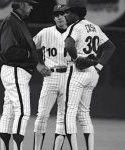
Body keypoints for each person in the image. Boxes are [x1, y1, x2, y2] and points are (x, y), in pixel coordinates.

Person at [62, 0, 116, 150]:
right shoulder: (94, 27)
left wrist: (75, 59)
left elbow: (69, 44)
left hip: (77, 71)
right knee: (85, 114)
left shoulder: (75, 27)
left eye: (68, 12)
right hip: (92, 73)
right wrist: (98, 67)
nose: (65, 14)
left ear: (76, 12)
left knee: (69, 112)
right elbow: (110, 47)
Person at [0, 0, 38, 150]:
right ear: (20, 3)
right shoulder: (11, 22)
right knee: (23, 112)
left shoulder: (17, 21)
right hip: (15, 70)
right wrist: (29, 53)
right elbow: (9, 50)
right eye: (29, 4)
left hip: (14, 71)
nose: (32, 7)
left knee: (10, 112)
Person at [33, 4, 72, 150]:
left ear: (67, 15)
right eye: (56, 14)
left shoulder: (75, 31)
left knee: (63, 118)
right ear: (53, 17)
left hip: (69, 77)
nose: (59, 17)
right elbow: (30, 47)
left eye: (62, 13)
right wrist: (38, 65)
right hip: (51, 76)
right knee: (42, 115)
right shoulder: (45, 32)